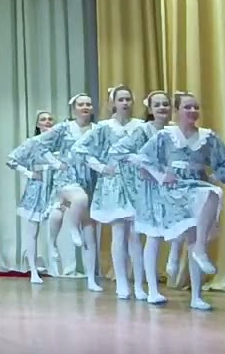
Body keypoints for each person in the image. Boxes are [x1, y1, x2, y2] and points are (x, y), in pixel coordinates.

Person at [135, 92, 225, 311]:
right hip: (173, 191)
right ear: (177, 111)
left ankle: (197, 293)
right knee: (173, 232)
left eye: (195, 107)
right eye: (187, 107)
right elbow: (143, 159)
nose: (192, 111)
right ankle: (171, 267)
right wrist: (162, 176)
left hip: (197, 187)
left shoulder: (207, 137)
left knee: (212, 197)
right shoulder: (166, 136)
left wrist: (216, 176)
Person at [73, 85, 148, 300]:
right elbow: (80, 149)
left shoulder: (140, 127)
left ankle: (139, 284)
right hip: (114, 183)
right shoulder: (104, 127)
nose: (125, 103)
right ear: (113, 103)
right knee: (119, 232)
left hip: (136, 184)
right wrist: (101, 167)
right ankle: (121, 282)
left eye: (128, 99)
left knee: (136, 235)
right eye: (121, 99)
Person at [107, 90, 181, 304]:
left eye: (165, 104)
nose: (162, 108)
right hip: (149, 188)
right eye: (157, 105)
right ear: (150, 108)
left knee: (184, 224)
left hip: (173, 185)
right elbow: (117, 151)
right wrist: (145, 164)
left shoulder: (175, 130)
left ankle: (174, 255)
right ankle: (150, 288)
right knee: (151, 235)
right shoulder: (143, 130)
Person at [31, 93, 100, 291]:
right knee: (77, 200)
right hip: (67, 178)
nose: (85, 107)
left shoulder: (97, 129)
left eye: (88, 104)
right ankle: (69, 229)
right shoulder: (64, 128)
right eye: (81, 104)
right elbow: (39, 144)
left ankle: (91, 278)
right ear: (74, 108)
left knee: (90, 230)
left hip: (89, 179)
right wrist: (55, 163)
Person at [6, 110, 58, 283]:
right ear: (38, 124)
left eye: (50, 119)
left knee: (57, 224)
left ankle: (55, 263)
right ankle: (33, 270)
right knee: (32, 231)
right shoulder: (32, 143)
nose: (47, 121)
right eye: (43, 119)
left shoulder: (59, 143)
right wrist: (29, 173)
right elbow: (11, 160)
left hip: (56, 187)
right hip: (38, 188)